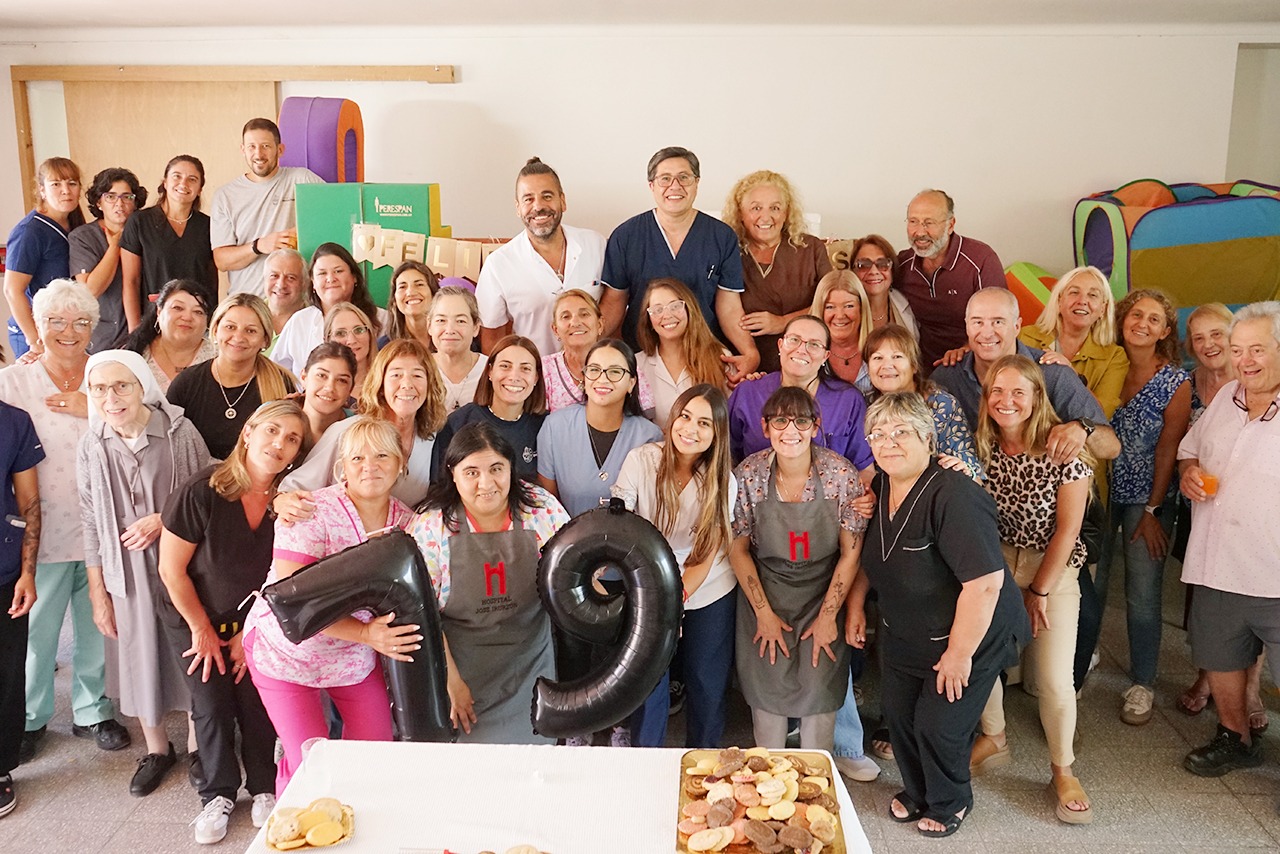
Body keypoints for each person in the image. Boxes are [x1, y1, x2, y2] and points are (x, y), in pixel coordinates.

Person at [848, 392, 1028, 838]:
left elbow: (984, 584)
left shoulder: (955, 495)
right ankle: (918, 791)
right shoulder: (881, 487)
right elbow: (877, 556)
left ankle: (951, 800)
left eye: (901, 432)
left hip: (971, 631)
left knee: (939, 724)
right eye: (878, 434)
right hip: (907, 629)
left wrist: (959, 654)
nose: (888, 442)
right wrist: (855, 607)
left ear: (928, 438)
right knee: (899, 715)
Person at [157, 400, 308, 844]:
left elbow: (282, 574)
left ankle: (263, 786)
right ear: (248, 432)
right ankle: (217, 794)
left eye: (292, 439)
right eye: (271, 431)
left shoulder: (286, 503)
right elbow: (171, 571)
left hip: (253, 620)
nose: (279, 444)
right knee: (211, 703)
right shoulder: (201, 490)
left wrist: (249, 629)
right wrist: (202, 629)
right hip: (192, 616)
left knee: (256, 698)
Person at [244, 417, 415, 795]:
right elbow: (293, 602)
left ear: (401, 463)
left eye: (382, 456)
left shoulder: (407, 523)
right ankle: (291, 805)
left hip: (353, 657)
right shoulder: (310, 511)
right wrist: (366, 633)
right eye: (357, 458)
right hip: (285, 652)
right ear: (342, 468)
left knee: (375, 753)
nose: (369, 466)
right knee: (310, 763)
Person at [0, 280, 131, 765]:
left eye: (80, 322)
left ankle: (92, 709)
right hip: (40, 531)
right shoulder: (14, 381)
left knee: (98, 624)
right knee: (37, 630)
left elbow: (140, 421)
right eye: (56, 321)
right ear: (38, 325)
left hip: (103, 525)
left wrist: (92, 406)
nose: (68, 331)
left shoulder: (107, 375)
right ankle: (30, 716)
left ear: (93, 327)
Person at [77, 350, 210, 796]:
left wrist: (162, 519)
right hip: (126, 572)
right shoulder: (92, 444)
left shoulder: (179, 431)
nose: (111, 397)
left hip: (182, 564)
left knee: (188, 650)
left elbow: (206, 494)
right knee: (138, 656)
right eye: (99, 389)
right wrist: (98, 592)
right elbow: (90, 520)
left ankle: (198, 746)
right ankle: (157, 749)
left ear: (142, 388)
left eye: (121, 386)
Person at [972, 355, 1094, 823]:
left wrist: (1038, 592)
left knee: (1054, 679)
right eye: (997, 391)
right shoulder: (982, 446)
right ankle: (994, 737)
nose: (1006, 401)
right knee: (978, 654)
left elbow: (1068, 529)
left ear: (1037, 397)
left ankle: (1063, 770)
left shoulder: (1064, 449)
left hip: (1052, 567)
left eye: (1018, 392)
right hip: (998, 562)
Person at [409, 422, 570, 743]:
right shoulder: (431, 527)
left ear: (511, 468)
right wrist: (449, 681)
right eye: (471, 472)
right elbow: (421, 614)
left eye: (497, 468)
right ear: (453, 474)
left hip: (531, 661)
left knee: (534, 755)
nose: (486, 483)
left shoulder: (541, 509)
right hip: (462, 666)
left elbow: (574, 568)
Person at [728, 385, 867, 756]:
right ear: (765, 427)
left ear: (815, 427)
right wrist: (763, 614)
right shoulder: (749, 475)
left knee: (820, 696)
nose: (791, 430)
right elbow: (737, 549)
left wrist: (828, 617)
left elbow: (850, 555)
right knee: (767, 700)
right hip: (766, 593)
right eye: (780, 421)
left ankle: (818, 778)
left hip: (823, 594)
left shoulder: (840, 474)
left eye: (801, 421)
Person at [1177, 301, 1280, 778]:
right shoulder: (1225, 397)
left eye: (1257, 349)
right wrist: (1188, 472)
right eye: (1238, 349)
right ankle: (1234, 738)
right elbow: (1190, 450)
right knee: (1221, 656)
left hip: (1274, 569)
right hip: (1217, 562)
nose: (1244, 360)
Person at [614, 385, 737, 748]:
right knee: (650, 678)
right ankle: (646, 759)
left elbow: (706, 555)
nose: (690, 429)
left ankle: (705, 761)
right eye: (685, 416)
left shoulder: (723, 482)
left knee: (705, 681)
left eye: (704, 423)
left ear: (717, 434)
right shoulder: (641, 460)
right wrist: (660, 601)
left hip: (707, 587)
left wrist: (676, 601)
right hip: (649, 582)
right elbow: (620, 526)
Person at [1090, 290, 1192, 727]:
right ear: (1122, 319)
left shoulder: (1175, 382)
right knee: (1092, 582)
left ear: (1165, 331)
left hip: (1147, 497)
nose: (1142, 324)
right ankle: (1082, 658)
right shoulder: (1106, 363)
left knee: (1143, 592)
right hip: (1099, 492)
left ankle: (1143, 682)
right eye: (1136, 315)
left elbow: (1169, 449)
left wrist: (1153, 510)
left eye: (1153, 319)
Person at [599, 146, 758, 379]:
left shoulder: (721, 237)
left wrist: (750, 352)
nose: (675, 186)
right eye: (665, 178)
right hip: (643, 355)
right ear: (651, 185)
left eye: (684, 177)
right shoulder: (626, 237)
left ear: (697, 183)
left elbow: (729, 307)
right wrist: (588, 346)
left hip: (704, 355)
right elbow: (614, 302)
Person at [931, 289, 1121, 465]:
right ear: (967, 326)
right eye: (977, 322)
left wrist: (1083, 429)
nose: (987, 333)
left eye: (998, 322)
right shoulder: (946, 377)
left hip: (1050, 489)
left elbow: (1112, 448)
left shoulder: (1052, 373)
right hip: (977, 486)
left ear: (1017, 326)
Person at [280, 339, 447, 510]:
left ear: (429, 384)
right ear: (381, 384)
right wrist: (282, 502)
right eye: (396, 375)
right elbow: (292, 490)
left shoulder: (431, 437)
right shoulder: (346, 431)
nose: (406, 385)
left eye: (417, 376)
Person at [476, 158, 605, 356]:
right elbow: (491, 339)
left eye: (547, 196)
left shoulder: (595, 245)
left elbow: (615, 307)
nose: (538, 206)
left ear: (562, 201)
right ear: (518, 208)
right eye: (528, 199)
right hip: (533, 372)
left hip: (593, 369)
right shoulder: (498, 264)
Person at [727, 315, 874, 473]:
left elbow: (865, 470)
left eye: (814, 344)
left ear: (825, 356)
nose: (801, 350)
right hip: (756, 487)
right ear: (780, 345)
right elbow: (725, 456)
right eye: (794, 340)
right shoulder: (748, 393)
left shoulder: (847, 400)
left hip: (833, 488)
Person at [537, 338, 663, 517]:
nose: (602, 379)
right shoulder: (555, 427)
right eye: (594, 370)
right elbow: (548, 506)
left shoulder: (650, 437)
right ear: (584, 377)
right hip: (568, 534)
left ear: (631, 383)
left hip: (631, 534)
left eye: (615, 372)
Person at [722, 170, 831, 372]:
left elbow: (832, 304)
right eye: (756, 208)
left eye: (775, 208)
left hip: (803, 361)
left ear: (787, 212)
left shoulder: (811, 249)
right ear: (740, 213)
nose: (766, 217)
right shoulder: (727, 251)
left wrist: (783, 322)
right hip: (743, 364)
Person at [167, 293, 298, 459]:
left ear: (265, 340)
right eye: (230, 327)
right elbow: (168, 448)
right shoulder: (186, 384)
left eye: (250, 331)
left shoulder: (282, 384)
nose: (238, 337)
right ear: (215, 330)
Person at [210, 117, 324, 297]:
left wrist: (303, 232)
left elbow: (334, 214)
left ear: (280, 149)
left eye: (266, 146)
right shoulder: (225, 196)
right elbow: (222, 261)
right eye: (252, 147)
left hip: (297, 301)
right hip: (247, 301)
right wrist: (259, 246)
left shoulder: (302, 179)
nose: (258, 154)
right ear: (243, 150)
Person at [895, 189, 1006, 368]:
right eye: (913, 221)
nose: (920, 232)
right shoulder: (903, 264)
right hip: (920, 364)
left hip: (973, 360)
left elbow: (999, 323)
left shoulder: (980, 260)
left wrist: (966, 349)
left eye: (929, 223)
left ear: (951, 224)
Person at [863, 324, 982, 478]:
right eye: (878, 358)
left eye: (897, 357)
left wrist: (966, 470)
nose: (887, 366)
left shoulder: (942, 405)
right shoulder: (865, 406)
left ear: (914, 366)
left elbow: (973, 472)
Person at [0, 394, 42, 817]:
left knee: (7, 674)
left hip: (5, 569)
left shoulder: (13, 422)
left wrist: (28, 573)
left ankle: (0, 768)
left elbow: (29, 501)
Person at [431, 335, 545, 482]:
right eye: (505, 366)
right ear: (490, 371)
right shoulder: (458, 423)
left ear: (536, 378)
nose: (514, 376)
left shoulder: (545, 426)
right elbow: (440, 485)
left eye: (525, 368)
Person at [1019, 266, 1128, 419]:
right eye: (1074, 292)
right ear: (1059, 301)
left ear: (1102, 309)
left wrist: (1071, 375)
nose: (1082, 301)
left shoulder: (1115, 357)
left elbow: (1100, 416)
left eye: (1093, 295)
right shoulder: (1025, 337)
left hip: (1079, 432)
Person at [121, 155, 218, 325]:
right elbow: (131, 281)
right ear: (165, 182)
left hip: (195, 320)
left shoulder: (209, 225)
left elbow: (213, 282)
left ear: (200, 189)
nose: (183, 184)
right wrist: (135, 330)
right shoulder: (140, 222)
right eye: (177, 176)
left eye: (192, 179)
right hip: (154, 320)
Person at [4, 157, 85, 358]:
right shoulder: (30, 231)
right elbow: (12, 290)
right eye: (56, 184)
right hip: (36, 332)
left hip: (65, 328)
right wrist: (35, 341)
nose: (66, 191)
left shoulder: (76, 225)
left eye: (72, 183)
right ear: (42, 190)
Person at [272, 243, 388, 375]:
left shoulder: (383, 318)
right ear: (313, 282)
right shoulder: (300, 321)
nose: (331, 279)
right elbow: (276, 372)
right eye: (322, 273)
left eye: (338, 271)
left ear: (354, 277)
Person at [70, 168, 147, 353]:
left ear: (135, 202)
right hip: (102, 339)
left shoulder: (146, 232)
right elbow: (90, 290)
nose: (119, 204)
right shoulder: (82, 237)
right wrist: (114, 247)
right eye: (110, 197)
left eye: (127, 197)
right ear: (99, 202)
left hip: (144, 333)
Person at [542, 289, 654, 414]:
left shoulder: (624, 363)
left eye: (584, 314)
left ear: (600, 324)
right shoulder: (544, 369)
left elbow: (645, 417)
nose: (575, 322)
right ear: (555, 330)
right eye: (566, 317)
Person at [635, 278, 728, 425]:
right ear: (648, 320)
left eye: (675, 306)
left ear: (689, 309)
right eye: (658, 310)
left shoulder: (720, 357)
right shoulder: (636, 364)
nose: (667, 315)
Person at [116, 279, 216, 392]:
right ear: (159, 312)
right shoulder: (135, 354)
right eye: (178, 308)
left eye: (198, 312)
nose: (187, 317)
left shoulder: (219, 356)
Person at [422, 286, 487, 412]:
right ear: (429, 325)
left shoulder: (491, 370)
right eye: (441, 320)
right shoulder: (419, 369)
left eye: (460, 321)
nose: (450, 330)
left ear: (476, 327)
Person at [811, 271, 872, 391]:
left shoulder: (879, 349)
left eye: (849, 306)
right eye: (830, 307)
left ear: (861, 308)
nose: (839, 316)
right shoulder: (807, 354)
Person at [850, 234, 917, 337]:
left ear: (892, 270)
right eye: (864, 265)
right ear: (853, 271)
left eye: (882, 264)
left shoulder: (908, 304)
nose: (873, 271)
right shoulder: (845, 310)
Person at [297, 342, 356, 445]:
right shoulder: (274, 417)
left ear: (350, 389)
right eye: (321, 375)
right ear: (303, 377)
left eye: (342, 380)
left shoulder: (359, 430)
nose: (330, 388)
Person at [324, 302, 378, 393]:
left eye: (359, 330)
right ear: (327, 340)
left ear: (370, 334)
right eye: (340, 333)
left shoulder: (387, 381)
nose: (351, 340)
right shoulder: (320, 387)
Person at [384, 260, 439, 347]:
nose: (411, 292)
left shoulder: (449, 340)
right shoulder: (384, 347)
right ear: (394, 300)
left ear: (433, 293)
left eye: (419, 284)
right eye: (402, 287)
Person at [262, 249, 309, 350]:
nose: (281, 285)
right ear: (264, 279)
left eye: (291, 278)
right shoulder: (249, 316)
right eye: (274, 276)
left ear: (304, 284)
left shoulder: (315, 322)